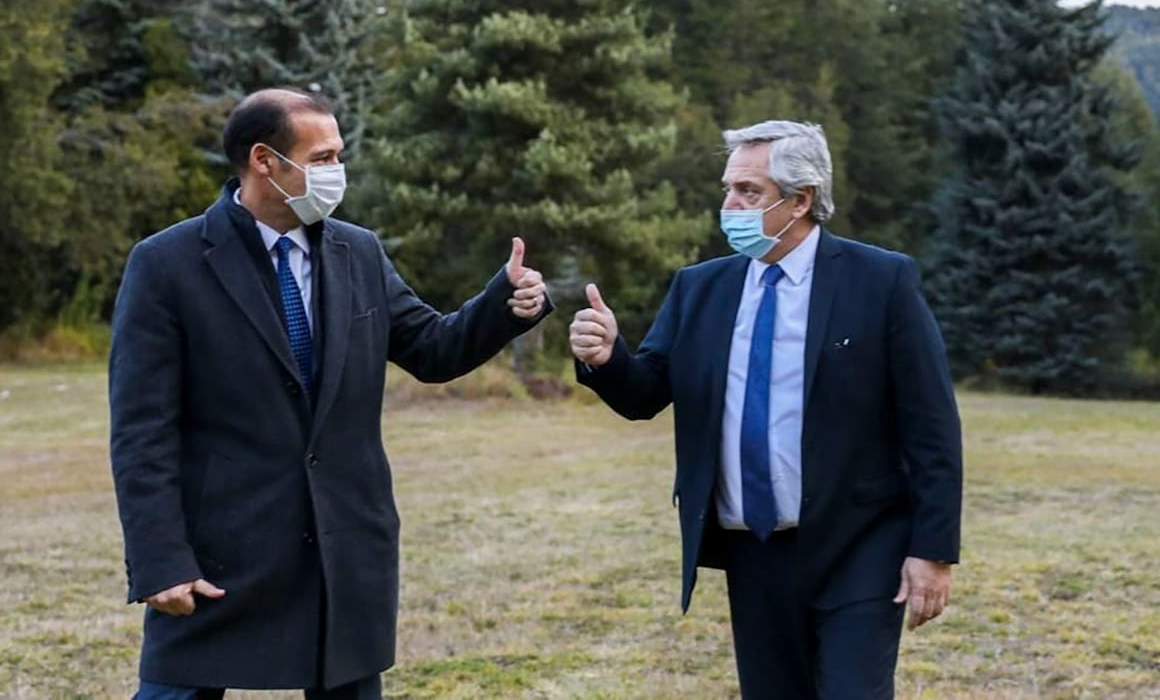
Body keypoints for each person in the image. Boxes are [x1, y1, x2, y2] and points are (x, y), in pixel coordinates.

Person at [109, 88, 551, 699]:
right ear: (264, 160)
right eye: (321, 158)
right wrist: (160, 560)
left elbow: (433, 349)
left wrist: (503, 303)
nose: (336, 171)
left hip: (345, 544)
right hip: (220, 551)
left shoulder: (358, 251)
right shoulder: (165, 264)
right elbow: (141, 431)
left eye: (338, 155)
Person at [569, 120, 962, 699]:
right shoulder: (700, 288)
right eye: (728, 189)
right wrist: (606, 357)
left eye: (748, 192)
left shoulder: (880, 281)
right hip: (753, 548)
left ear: (801, 200)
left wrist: (932, 550)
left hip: (859, 542)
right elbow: (645, 393)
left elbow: (931, 426)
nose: (729, 204)